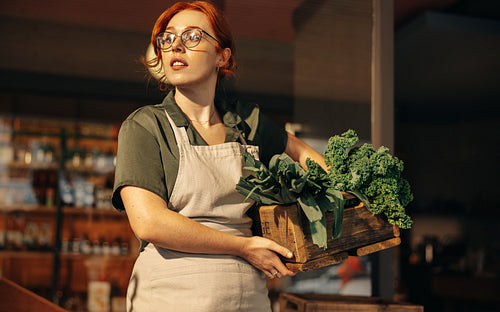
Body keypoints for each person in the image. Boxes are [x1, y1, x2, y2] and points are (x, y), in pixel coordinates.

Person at [112, 1, 327, 311]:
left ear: (222, 55)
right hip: (171, 299)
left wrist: (342, 194)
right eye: (168, 38)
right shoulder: (146, 125)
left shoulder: (245, 123)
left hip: (247, 298)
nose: (176, 47)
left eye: (192, 37)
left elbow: (304, 154)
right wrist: (243, 247)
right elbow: (149, 223)